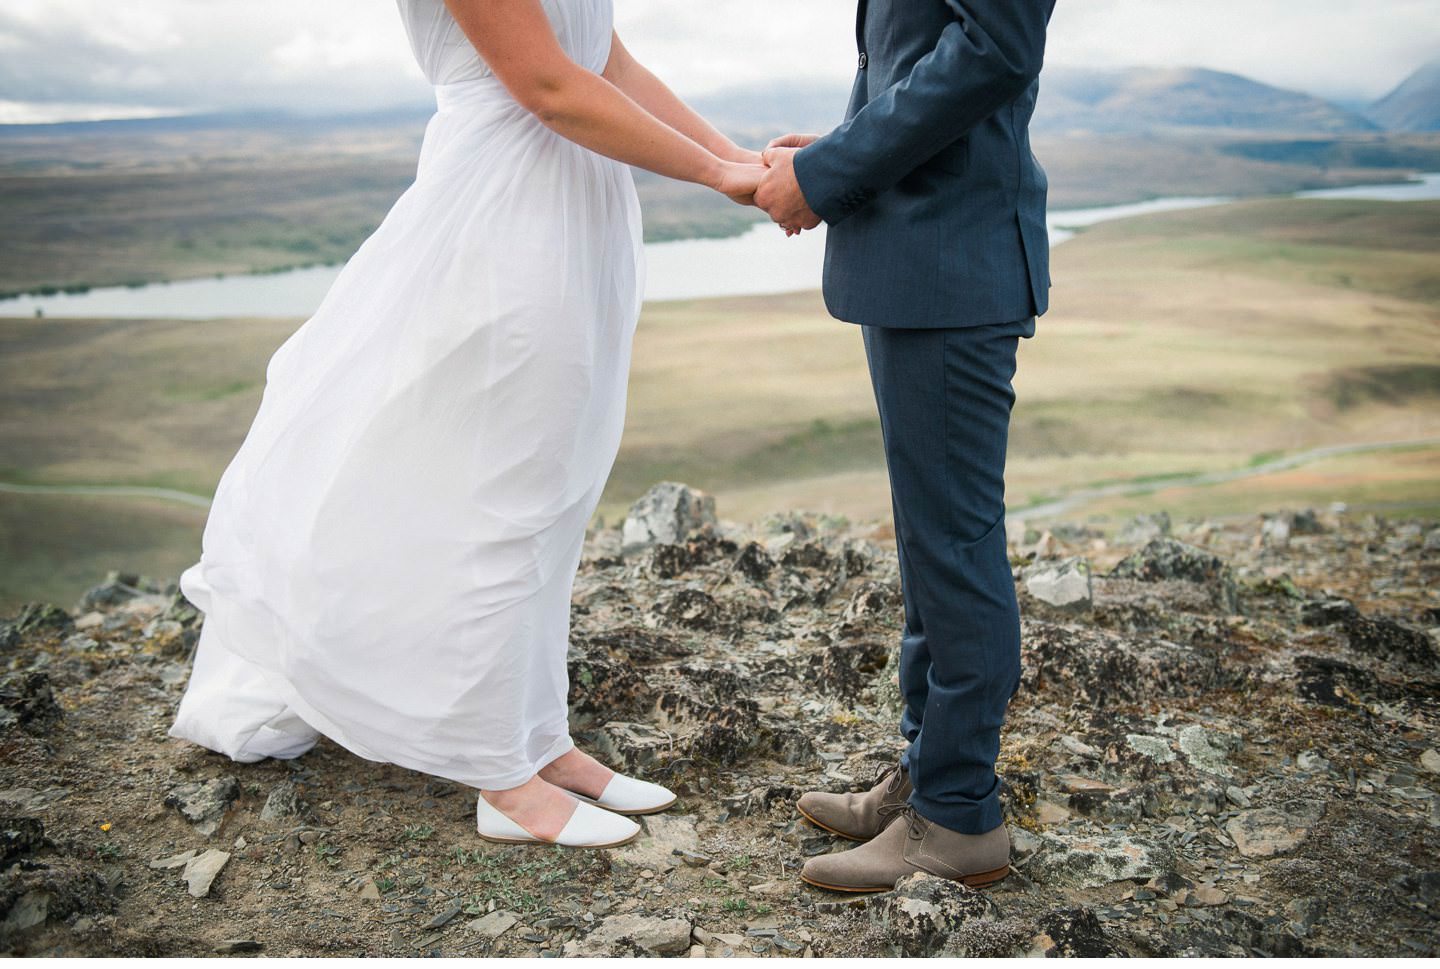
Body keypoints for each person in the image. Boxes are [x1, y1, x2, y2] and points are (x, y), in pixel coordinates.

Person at [166, 0, 765, 850]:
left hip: (577, 207)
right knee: (503, 488)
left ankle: (540, 739)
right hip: (505, 213)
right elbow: (550, 85)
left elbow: (607, 63)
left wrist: (739, 158)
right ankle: (501, 776)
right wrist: (717, 176)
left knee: (557, 489)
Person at [753, 0, 1056, 891]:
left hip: (952, 263)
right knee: (932, 539)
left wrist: (829, 171)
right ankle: (929, 775)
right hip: (925, 257)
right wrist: (839, 154)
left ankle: (960, 815)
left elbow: (994, 52)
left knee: (955, 543)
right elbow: (916, 57)